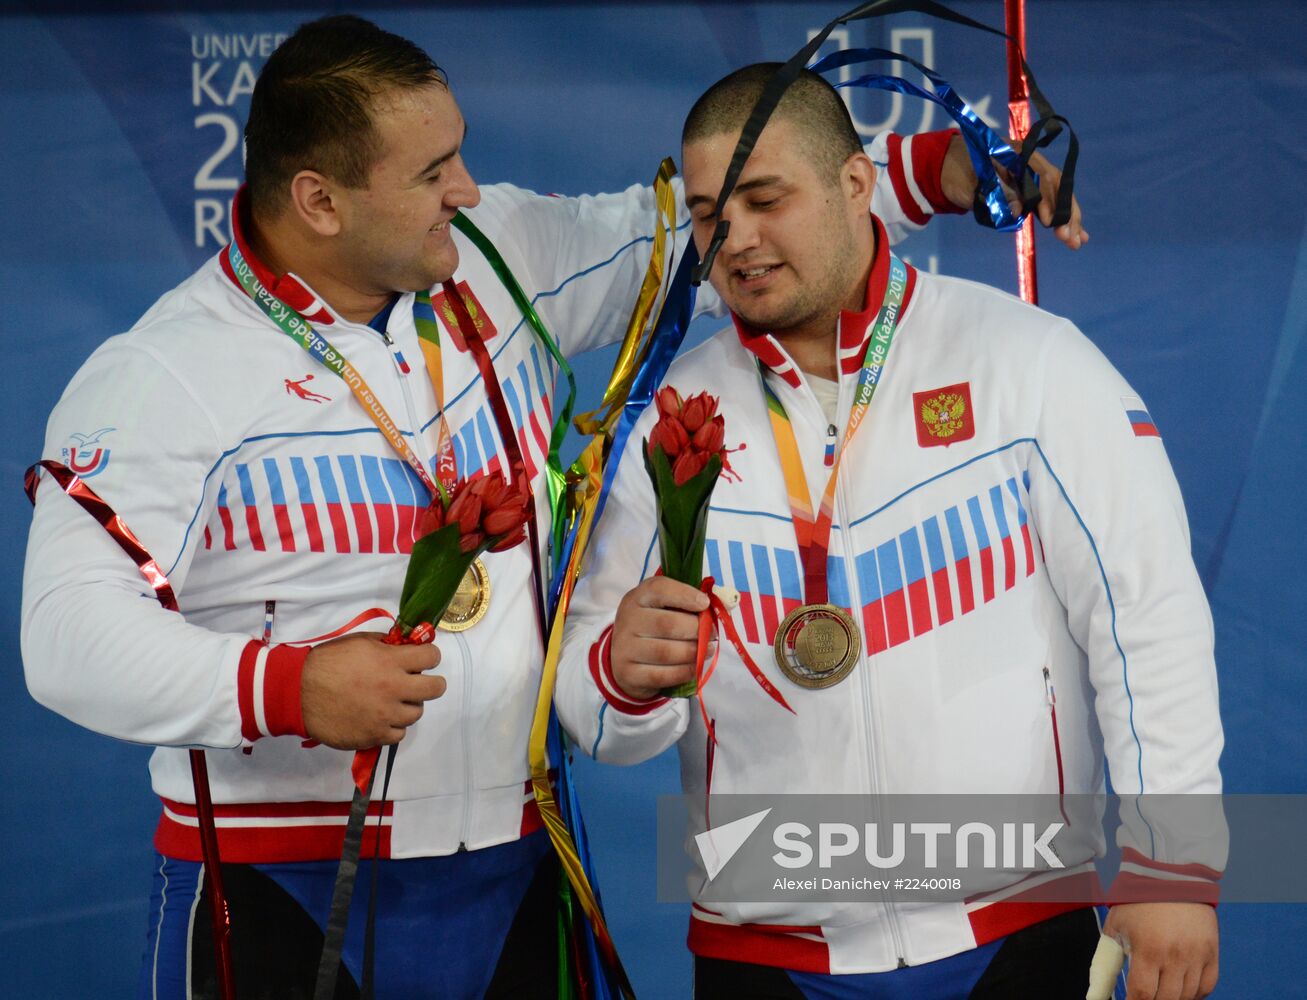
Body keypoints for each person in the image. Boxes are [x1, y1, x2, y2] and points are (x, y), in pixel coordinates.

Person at [16, 16, 1071, 1000]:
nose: (465, 191)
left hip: (519, 871)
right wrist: (280, 684)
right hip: (283, 888)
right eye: (432, 174)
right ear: (319, 201)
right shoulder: (163, 372)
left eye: (459, 154)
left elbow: (700, 227)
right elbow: (63, 640)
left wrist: (946, 168)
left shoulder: (491, 260)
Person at [555, 64, 1222, 1000]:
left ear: (855, 185)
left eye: (764, 198)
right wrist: (620, 677)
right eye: (710, 214)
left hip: (1017, 929)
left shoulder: (1023, 361)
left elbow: (1144, 619)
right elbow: (592, 713)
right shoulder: (666, 416)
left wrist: (1173, 864)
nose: (736, 240)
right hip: (766, 958)